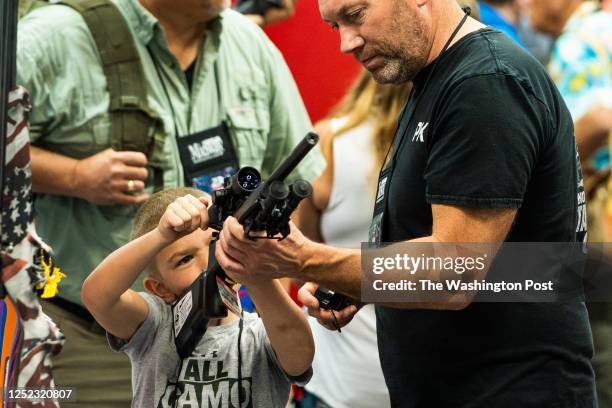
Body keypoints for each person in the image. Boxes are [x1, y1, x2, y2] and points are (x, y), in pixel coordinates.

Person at [214, 0, 596, 406]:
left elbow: (455, 268)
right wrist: (358, 281)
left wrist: (302, 259)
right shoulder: (439, 80)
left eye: (356, 15)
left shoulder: (485, 82)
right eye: (334, 26)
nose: (346, 42)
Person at [17, 0, 324, 405]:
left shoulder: (248, 44)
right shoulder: (53, 37)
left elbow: (288, 188)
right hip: (87, 338)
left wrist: (268, 318)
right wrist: (73, 176)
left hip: (235, 334)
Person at [81, 187, 314, 407]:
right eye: (184, 260)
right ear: (160, 289)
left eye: (215, 242)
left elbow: (300, 357)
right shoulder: (154, 325)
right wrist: (161, 235)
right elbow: (97, 296)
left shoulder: (261, 334)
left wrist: (256, 273)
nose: (208, 261)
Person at [295, 70, 410, 408]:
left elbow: (309, 261)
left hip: (340, 378)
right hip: (372, 376)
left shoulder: (329, 140)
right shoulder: (328, 141)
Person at [527, 1, 612, 406]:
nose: (523, 7)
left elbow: (599, 119)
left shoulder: (579, 40)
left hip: (603, 219)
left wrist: (550, 166)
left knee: (604, 348)